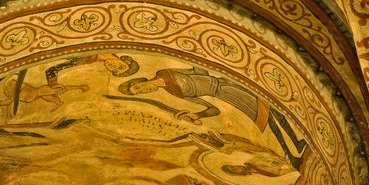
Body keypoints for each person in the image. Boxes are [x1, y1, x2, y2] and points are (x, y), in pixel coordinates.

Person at [118, 64, 309, 169]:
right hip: (225, 94)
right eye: (139, 93)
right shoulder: (174, 93)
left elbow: (198, 69)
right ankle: (291, 153)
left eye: (139, 87)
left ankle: (297, 143)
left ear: (140, 80)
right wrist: (196, 114)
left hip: (225, 84)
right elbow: (212, 109)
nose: (144, 90)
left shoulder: (165, 71)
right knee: (265, 118)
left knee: (271, 110)